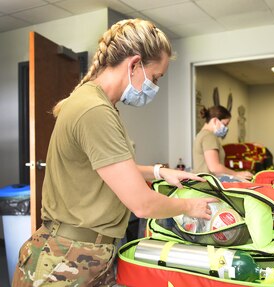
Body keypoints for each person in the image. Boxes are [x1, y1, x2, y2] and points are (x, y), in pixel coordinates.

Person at [13, 19, 217, 287]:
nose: (154, 86)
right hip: (64, 261)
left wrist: (158, 171)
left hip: (87, 254)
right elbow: (141, 203)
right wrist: (189, 206)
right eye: (155, 78)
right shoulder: (94, 111)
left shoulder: (98, 104)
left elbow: (106, 168)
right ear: (134, 64)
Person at [193, 106, 253, 181]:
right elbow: (214, 167)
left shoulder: (201, 135)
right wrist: (236, 174)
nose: (225, 128)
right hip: (208, 184)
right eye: (225, 124)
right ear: (215, 120)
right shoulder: (209, 136)